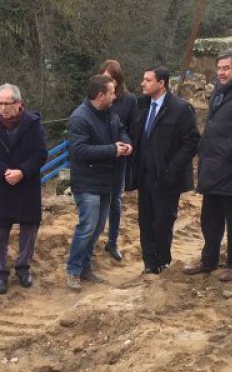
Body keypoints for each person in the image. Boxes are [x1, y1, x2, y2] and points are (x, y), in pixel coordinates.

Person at [183, 49, 232, 282]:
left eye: (226, 68)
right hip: (212, 166)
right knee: (210, 218)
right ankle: (209, 260)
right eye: (219, 68)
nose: (221, 73)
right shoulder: (219, 90)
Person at [125, 67, 200, 275]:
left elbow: (191, 142)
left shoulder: (181, 109)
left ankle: (163, 261)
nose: (143, 83)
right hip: (144, 175)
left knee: (163, 221)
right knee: (145, 221)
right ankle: (149, 263)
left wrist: (172, 169)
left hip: (167, 177)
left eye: (148, 80)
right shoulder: (141, 106)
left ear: (161, 83)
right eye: (143, 79)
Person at [0, 83, 48, 295]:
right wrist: (4, 172)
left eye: (7, 103)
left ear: (18, 103)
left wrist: (22, 172)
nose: (3, 108)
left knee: (29, 228)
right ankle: (0, 274)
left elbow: (41, 153)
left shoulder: (33, 124)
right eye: (0, 103)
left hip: (26, 184)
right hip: (2, 186)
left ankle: (23, 268)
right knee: (1, 232)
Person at [65, 74, 132, 290]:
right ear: (101, 95)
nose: (115, 96)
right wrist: (113, 150)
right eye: (112, 93)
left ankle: (85, 267)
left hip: (106, 181)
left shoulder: (109, 112)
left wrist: (126, 143)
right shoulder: (79, 118)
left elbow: (121, 129)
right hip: (87, 183)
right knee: (86, 226)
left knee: (97, 227)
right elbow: (79, 150)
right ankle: (73, 270)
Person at [98, 60, 137, 262]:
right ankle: (93, 239)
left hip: (119, 158)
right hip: (98, 158)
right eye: (104, 78)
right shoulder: (97, 96)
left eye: (111, 79)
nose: (108, 83)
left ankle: (112, 241)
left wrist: (127, 145)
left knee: (115, 201)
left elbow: (130, 128)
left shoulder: (129, 100)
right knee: (97, 202)